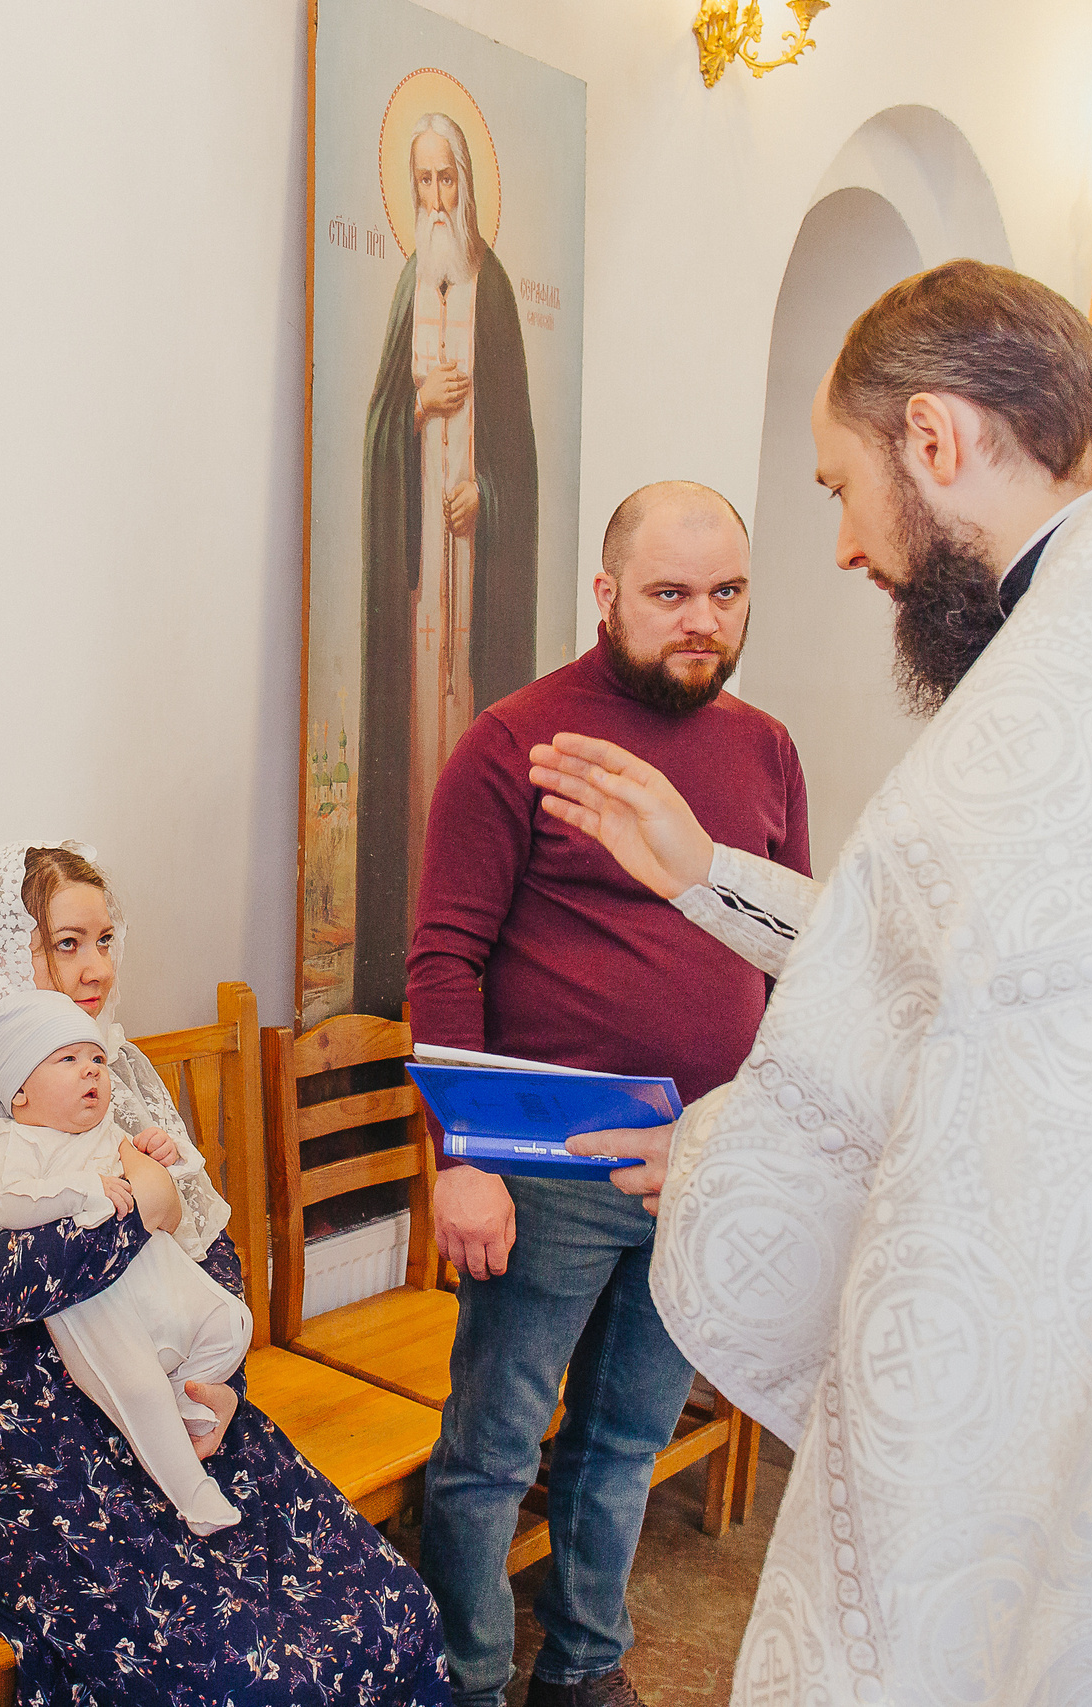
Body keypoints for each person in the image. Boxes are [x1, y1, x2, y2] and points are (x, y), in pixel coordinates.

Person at [538, 263, 1092, 1703]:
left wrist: (728, 1156)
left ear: (934, 442)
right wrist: (703, 873)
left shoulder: (1085, 670)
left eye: (839, 485)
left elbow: (1006, 1037)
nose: (847, 545)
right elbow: (986, 967)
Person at [0, 841, 453, 1706]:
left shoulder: (108, 1061)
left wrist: (219, 1378)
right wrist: (135, 1209)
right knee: (238, 1675)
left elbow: (208, 1250)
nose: (97, 968)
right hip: (14, 1440)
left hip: (154, 1390)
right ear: (6, 947)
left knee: (391, 1609)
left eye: (105, 939)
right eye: (67, 942)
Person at [410, 482, 808, 1707]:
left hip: (699, 1159)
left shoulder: (765, 748)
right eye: (669, 593)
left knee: (625, 1442)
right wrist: (463, 1157)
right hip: (546, 1165)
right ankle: (468, 1679)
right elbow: (442, 958)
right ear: (606, 595)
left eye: (725, 593)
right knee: (490, 1453)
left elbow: (794, 951)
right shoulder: (515, 740)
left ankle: (582, 1670)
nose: (701, 620)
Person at [356, 111, 541, 1014]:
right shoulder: (407, 285)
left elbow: (521, 453)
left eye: (445, 181)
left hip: (470, 551)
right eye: (421, 182)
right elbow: (380, 423)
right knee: (420, 708)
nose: (434, 199)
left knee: (465, 697)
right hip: (421, 559)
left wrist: (490, 499)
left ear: (465, 186)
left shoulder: (492, 287)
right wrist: (416, 402)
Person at [0, 988, 255, 1536]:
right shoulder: (18, 1140)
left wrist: (155, 1151)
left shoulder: (106, 1129)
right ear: (20, 1095)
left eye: (98, 1059)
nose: (92, 1072)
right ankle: (193, 1495)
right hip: (94, 1306)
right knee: (137, 1389)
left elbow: (159, 1194)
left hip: (156, 1279)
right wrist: (86, 1188)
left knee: (232, 1322)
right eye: (68, 1059)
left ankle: (189, 1395)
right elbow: (8, 1201)